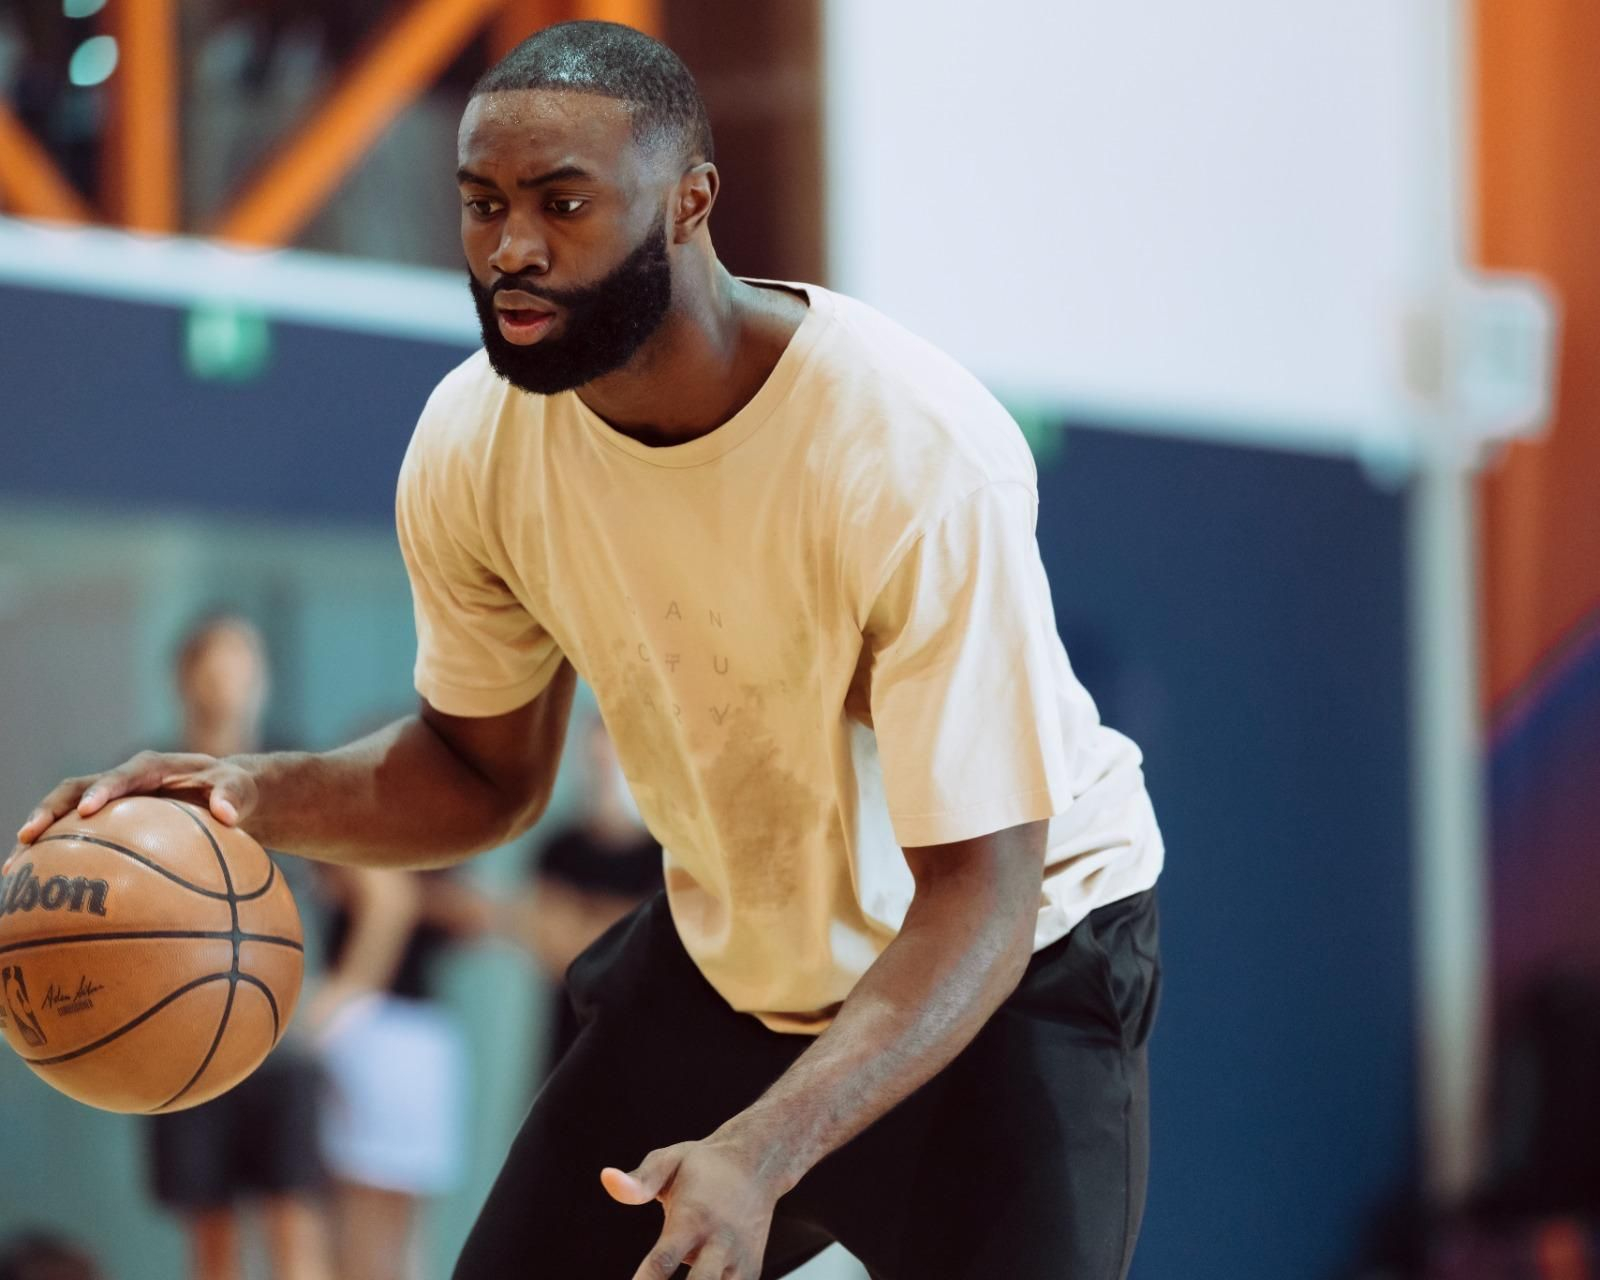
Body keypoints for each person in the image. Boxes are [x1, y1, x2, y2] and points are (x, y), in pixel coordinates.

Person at [15, 21, 1164, 1279]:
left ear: (689, 203)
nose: (512, 248)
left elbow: (979, 897)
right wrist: (247, 792)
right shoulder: (475, 443)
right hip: (744, 959)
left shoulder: (905, 452)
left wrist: (760, 1150)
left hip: (1003, 972)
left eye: (563, 202)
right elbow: (477, 770)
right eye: (482, 205)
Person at [144, 616, 332, 1280]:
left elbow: (384, 896)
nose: (231, 679)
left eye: (244, 663)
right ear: (185, 675)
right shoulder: (149, 785)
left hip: (281, 1042)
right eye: (217, 663)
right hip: (185, 1046)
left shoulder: (292, 775)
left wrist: (345, 993)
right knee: (212, 1235)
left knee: (293, 1226)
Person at [305, 864, 473, 1280]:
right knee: (392, 1240)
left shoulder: (372, 827)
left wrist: (348, 990)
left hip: (384, 1031)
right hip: (417, 1036)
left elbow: (391, 897)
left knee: (363, 1234)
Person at [511, 712, 663, 1079]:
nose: (604, 776)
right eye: (597, 762)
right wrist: (627, 919)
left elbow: (656, 953)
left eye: (614, 763)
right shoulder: (558, 849)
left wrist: (581, 914)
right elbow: (553, 947)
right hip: (565, 1046)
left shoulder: (666, 856)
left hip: (642, 1051)